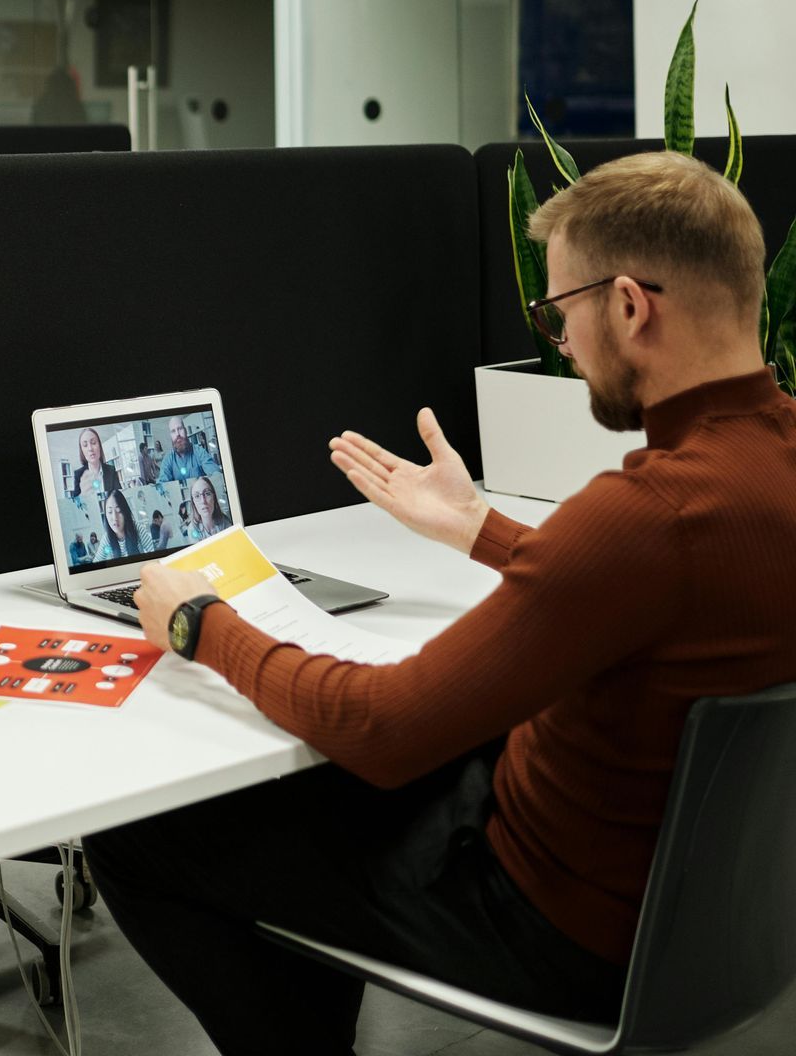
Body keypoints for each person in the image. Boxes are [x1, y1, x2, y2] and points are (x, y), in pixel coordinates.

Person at [94, 151, 796, 1055]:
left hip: (552, 927)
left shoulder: (645, 512)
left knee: (141, 835)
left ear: (629, 305)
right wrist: (480, 529)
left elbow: (383, 729)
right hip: (716, 922)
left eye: (559, 314)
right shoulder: (754, 476)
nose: (561, 344)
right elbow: (663, 593)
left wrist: (203, 625)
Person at [156, 415, 221, 483]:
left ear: (186, 431)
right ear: (171, 436)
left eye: (180, 428)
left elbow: (216, 475)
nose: (177, 434)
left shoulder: (200, 452)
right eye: (173, 431)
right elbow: (162, 484)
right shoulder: (167, 459)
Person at [68, 427, 120, 500]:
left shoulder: (111, 470)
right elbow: (76, 505)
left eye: (93, 443)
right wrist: (83, 495)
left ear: (99, 445)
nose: (90, 448)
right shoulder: (78, 474)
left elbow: (119, 496)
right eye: (85, 445)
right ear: (82, 450)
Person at [95, 489, 147, 561]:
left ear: (125, 512)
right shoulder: (107, 539)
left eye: (119, 511)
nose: (114, 518)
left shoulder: (137, 529)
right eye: (110, 512)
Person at [183, 475, 231, 540]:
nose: (203, 501)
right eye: (197, 496)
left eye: (207, 493)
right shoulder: (192, 530)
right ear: (193, 502)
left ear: (214, 497)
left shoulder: (226, 522)